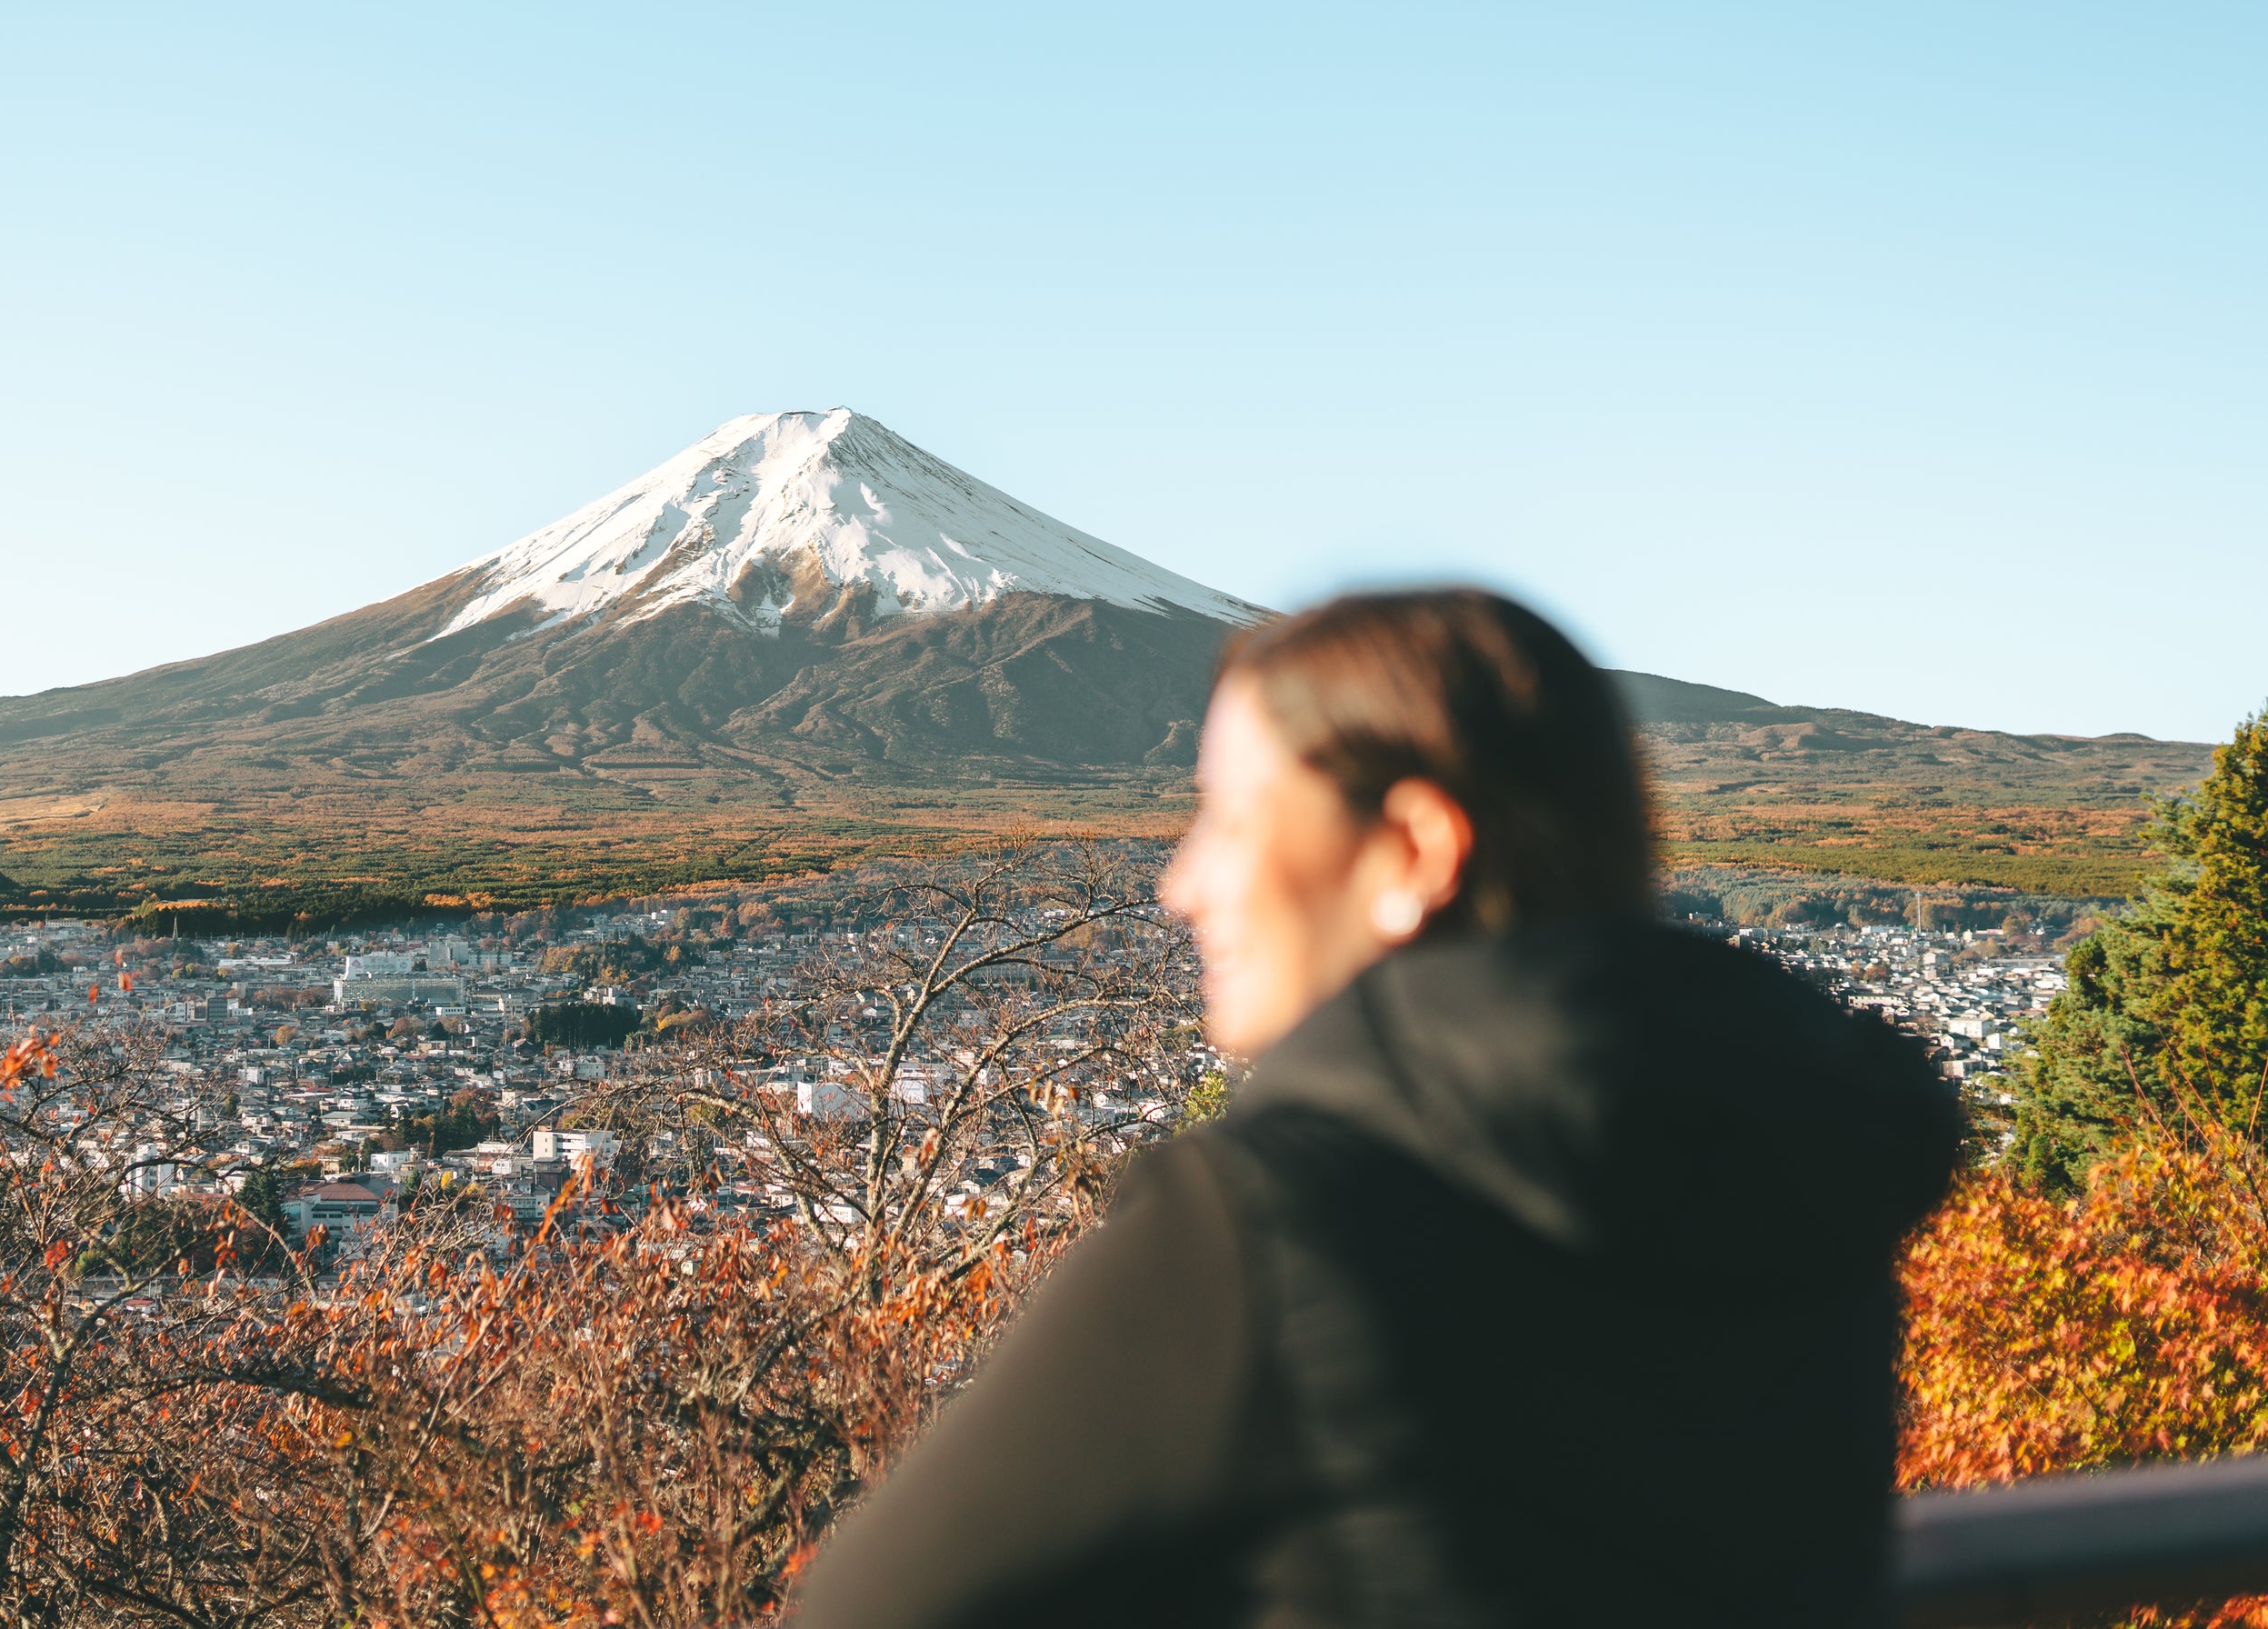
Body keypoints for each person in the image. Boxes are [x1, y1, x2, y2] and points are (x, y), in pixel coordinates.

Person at [790, 588, 1961, 1629]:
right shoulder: (1796, 1158)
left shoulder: (1271, 1217)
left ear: (1410, 850)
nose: (1179, 883)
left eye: (1229, 821)